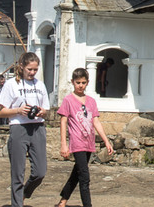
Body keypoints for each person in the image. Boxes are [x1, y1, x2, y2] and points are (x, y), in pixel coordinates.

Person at [0, 53, 50, 207]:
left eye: (35, 69)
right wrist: (18, 110)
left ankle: (25, 193)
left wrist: (42, 111)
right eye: (29, 69)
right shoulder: (11, 84)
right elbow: (0, 111)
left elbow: (46, 109)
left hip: (38, 126)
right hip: (19, 127)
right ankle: (17, 204)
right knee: (18, 173)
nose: (32, 73)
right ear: (22, 67)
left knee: (40, 172)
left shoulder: (40, 85)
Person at [56, 68, 115, 207]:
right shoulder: (68, 100)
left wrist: (106, 141)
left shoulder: (91, 101)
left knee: (77, 173)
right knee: (84, 177)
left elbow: (96, 121)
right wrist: (63, 144)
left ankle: (63, 201)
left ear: (87, 83)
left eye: (83, 82)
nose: (80, 85)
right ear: (73, 82)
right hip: (77, 142)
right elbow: (63, 121)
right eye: (78, 82)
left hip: (88, 142)